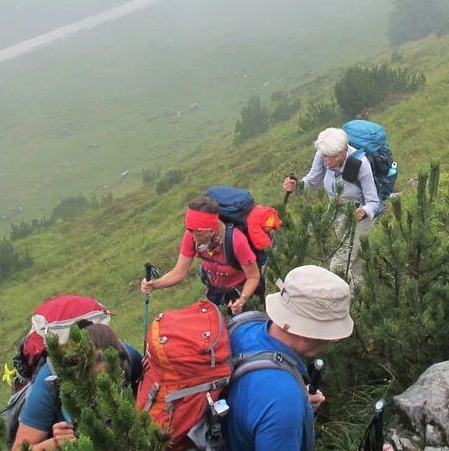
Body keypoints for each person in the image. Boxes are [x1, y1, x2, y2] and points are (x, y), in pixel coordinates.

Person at [225, 265, 393, 451]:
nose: (332, 340)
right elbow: (272, 401)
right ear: (307, 332)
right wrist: (289, 400)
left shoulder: (244, 328)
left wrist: (297, 397)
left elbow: (251, 398)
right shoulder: (283, 401)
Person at [12, 323, 143, 450]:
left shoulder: (129, 358)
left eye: (108, 379)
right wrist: (53, 444)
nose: (100, 389)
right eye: (92, 380)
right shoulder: (48, 382)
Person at [283, 128, 381, 277]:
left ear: (345, 149)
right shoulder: (323, 153)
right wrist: (296, 185)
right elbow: (311, 181)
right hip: (337, 214)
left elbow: (373, 201)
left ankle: (344, 291)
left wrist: (363, 211)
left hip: (359, 218)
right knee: (353, 260)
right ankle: (360, 288)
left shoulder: (361, 163)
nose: (328, 162)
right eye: (325, 157)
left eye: (333, 157)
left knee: (338, 266)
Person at [141, 195, 262, 314]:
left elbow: (253, 277)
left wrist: (242, 299)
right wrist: (155, 284)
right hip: (215, 293)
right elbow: (178, 272)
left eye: (199, 234)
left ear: (212, 230)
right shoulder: (191, 236)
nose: (194, 239)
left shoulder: (237, 241)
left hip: (242, 292)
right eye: (191, 232)